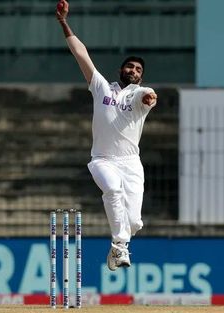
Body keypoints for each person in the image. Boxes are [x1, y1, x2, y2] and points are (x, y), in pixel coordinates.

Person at [56, 0, 157, 271]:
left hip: (131, 163)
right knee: (112, 189)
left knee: (134, 222)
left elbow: (148, 96)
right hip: (102, 159)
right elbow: (81, 54)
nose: (134, 72)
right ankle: (119, 246)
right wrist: (64, 22)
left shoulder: (139, 93)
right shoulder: (102, 88)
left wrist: (149, 95)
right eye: (130, 67)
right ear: (121, 70)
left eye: (138, 70)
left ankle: (119, 246)